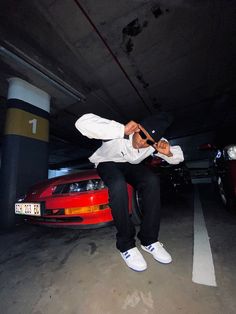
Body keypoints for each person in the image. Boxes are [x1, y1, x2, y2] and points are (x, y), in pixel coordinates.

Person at [75, 112, 184, 271]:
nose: (142, 143)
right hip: (107, 163)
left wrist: (168, 153)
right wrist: (120, 130)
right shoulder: (118, 133)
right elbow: (82, 123)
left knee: (152, 181)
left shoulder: (154, 143)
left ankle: (149, 241)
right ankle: (126, 245)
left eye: (148, 142)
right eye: (141, 136)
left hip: (130, 166)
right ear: (137, 128)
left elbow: (178, 158)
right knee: (118, 184)